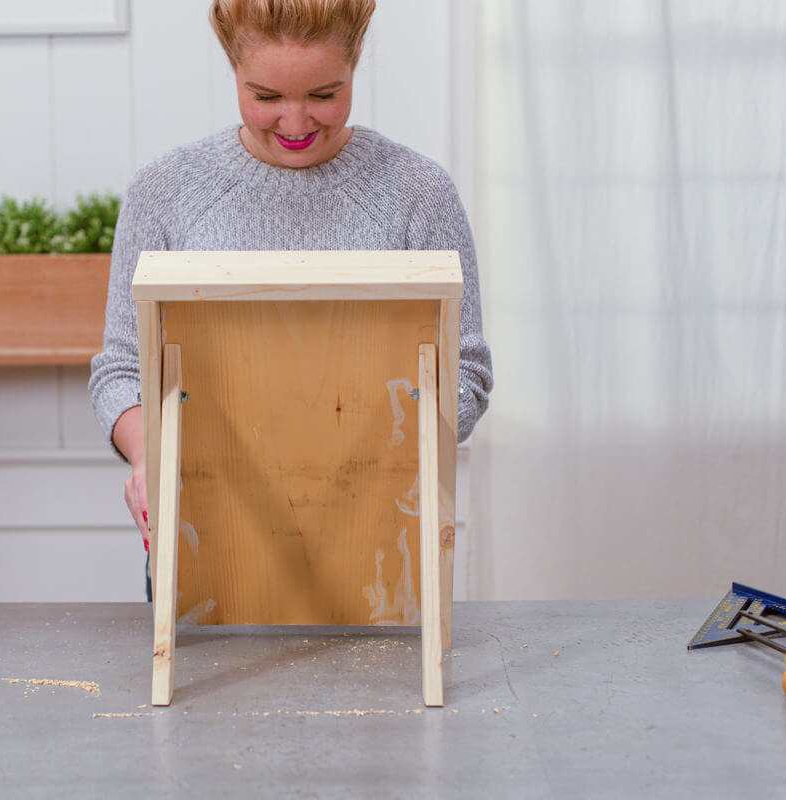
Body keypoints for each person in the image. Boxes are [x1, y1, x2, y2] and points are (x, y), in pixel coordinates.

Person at [89, 0, 493, 598]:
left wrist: (360, 444)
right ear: (233, 70)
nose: (297, 121)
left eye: (324, 95)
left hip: (376, 559)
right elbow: (121, 369)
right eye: (267, 96)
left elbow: (469, 373)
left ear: (356, 63)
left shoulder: (418, 193)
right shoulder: (166, 191)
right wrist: (149, 455)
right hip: (207, 553)